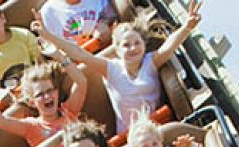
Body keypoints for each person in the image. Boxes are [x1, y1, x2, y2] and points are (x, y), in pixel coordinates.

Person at [31, 2, 202, 134]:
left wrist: (187, 27)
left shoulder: (151, 62)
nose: (133, 48)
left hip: (159, 123)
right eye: (126, 45)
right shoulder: (110, 68)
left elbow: (169, 47)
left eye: (137, 43)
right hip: (132, 135)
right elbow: (80, 54)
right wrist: (48, 36)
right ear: (117, 50)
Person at [36, 0, 115, 43]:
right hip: (75, 63)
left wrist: (104, 24)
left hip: (103, 48)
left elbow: (111, 17)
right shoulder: (48, 12)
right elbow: (49, 45)